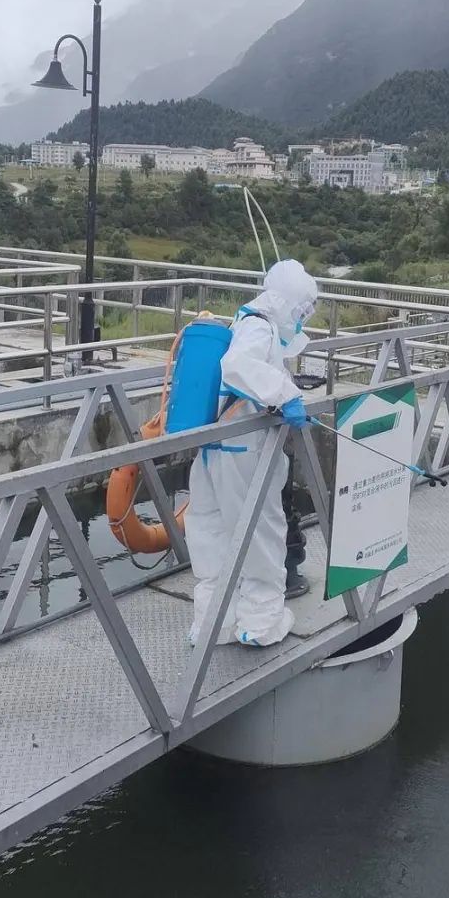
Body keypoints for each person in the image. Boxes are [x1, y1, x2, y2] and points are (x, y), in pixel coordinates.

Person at [186, 259, 318, 648]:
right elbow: (238, 367)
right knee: (260, 533)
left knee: (213, 536)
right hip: (244, 451)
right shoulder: (260, 327)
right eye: (302, 313)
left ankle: (214, 624)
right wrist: (286, 395)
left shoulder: (242, 321)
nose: (301, 322)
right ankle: (260, 624)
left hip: (215, 447)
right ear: (290, 304)